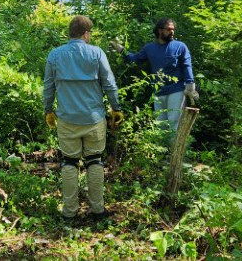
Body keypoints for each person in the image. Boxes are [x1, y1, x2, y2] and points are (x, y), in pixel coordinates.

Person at [44, 15, 123, 220]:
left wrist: (48, 110)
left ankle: (69, 212)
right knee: (94, 162)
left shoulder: (55, 55)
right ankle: (98, 210)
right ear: (86, 33)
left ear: (70, 33)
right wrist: (116, 107)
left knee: (69, 163)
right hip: (93, 118)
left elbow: (48, 87)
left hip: (67, 118)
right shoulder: (96, 53)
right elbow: (109, 84)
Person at [110, 18, 197, 137]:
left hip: (176, 91)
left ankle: (175, 154)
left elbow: (187, 66)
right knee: (160, 126)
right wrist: (119, 48)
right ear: (160, 31)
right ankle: (163, 154)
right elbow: (134, 60)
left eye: (173, 29)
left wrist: (190, 86)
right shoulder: (149, 48)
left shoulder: (180, 46)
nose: (172, 32)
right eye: (169, 29)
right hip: (158, 93)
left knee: (174, 125)